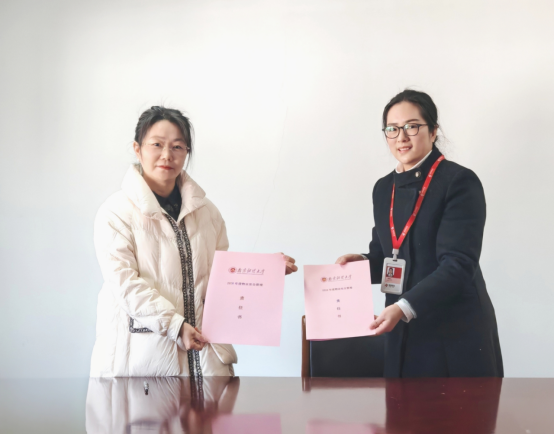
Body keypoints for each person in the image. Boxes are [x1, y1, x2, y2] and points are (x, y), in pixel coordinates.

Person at [90, 106, 297, 377]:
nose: (167, 155)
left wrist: (266, 272)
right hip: (142, 367)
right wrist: (175, 327)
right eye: (157, 144)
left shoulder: (207, 212)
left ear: (186, 152)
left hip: (207, 363)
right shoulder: (115, 213)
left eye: (177, 146)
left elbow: (220, 282)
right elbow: (125, 286)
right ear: (137, 149)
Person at [336, 90, 503, 377]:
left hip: (454, 333)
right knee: (400, 406)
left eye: (411, 126)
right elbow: (388, 256)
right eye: (392, 129)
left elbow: (459, 264)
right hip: (400, 328)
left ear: (433, 131)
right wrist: (360, 264)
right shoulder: (383, 188)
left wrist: (403, 307)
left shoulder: (458, 181)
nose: (401, 137)